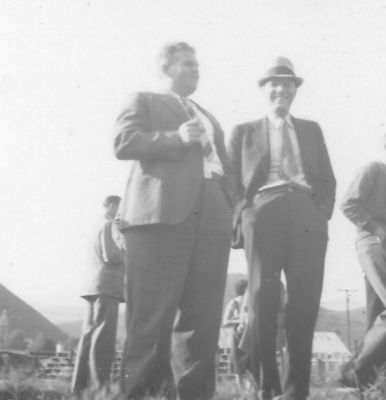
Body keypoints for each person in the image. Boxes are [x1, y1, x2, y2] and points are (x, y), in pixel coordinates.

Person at [114, 41, 235, 400]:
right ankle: (142, 395)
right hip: (160, 217)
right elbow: (123, 141)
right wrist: (175, 138)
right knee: (151, 318)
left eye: (197, 63)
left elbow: (225, 165)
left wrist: (231, 202)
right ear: (165, 69)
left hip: (212, 214)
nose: (196, 68)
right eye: (186, 63)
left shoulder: (208, 115)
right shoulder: (144, 100)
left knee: (202, 320)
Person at [227, 57, 336, 400]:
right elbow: (230, 181)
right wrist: (244, 215)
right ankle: (266, 384)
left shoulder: (311, 128)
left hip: (306, 212)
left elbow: (328, 179)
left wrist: (321, 214)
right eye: (274, 83)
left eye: (288, 84)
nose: (281, 89)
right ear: (264, 89)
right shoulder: (244, 131)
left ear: (295, 91)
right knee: (263, 299)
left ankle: (295, 391)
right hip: (263, 211)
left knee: (304, 302)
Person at [338, 130, 386, 391]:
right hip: (374, 242)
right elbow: (349, 204)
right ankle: (355, 372)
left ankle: (374, 388)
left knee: (378, 316)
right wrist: (377, 230)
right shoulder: (372, 168)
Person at [71, 195, 126, 393]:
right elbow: (111, 255)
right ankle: (99, 387)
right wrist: (129, 253)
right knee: (103, 337)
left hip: (93, 285)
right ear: (110, 205)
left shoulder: (96, 224)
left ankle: (80, 386)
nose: (121, 211)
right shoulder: (108, 225)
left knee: (89, 336)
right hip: (106, 286)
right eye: (119, 206)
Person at [222, 279, 248, 380]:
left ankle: (250, 392)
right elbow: (225, 321)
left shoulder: (251, 302)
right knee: (238, 362)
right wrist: (240, 320)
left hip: (248, 332)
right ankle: (241, 391)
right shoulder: (234, 302)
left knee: (249, 361)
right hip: (238, 333)